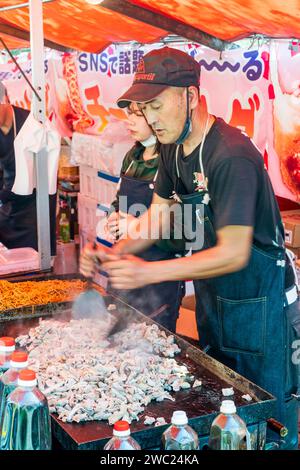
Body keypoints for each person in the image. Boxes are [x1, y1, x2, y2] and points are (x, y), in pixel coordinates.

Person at [81, 47, 299, 449]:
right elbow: (160, 216)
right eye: (143, 107)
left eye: (157, 106)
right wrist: (117, 253)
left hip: (261, 306)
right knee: (224, 415)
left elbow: (234, 252)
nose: (150, 119)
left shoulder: (230, 155)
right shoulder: (170, 149)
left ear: (191, 96)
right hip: (215, 299)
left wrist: (148, 271)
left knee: (265, 419)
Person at [103, 101, 185, 332]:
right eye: (128, 114)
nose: (129, 121)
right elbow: (119, 200)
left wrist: (137, 227)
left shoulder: (171, 160)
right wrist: (113, 217)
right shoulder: (132, 156)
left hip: (158, 277)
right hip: (123, 272)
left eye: (137, 115)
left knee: (151, 346)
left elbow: (183, 233)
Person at [0, 83, 56, 255]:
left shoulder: (31, 125)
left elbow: (46, 172)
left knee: (35, 261)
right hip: (7, 207)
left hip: (33, 207)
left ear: (6, 100)